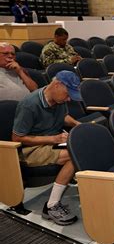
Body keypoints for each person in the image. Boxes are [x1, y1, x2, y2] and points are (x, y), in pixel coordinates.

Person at [12, 70, 81, 225]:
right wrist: (53, 139)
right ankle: (51, 206)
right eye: (68, 94)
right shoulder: (29, 104)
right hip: (31, 149)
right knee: (74, 155)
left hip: (51, 142)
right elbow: (17, 137)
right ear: (57, 84)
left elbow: (63, 117)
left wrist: (78, 125)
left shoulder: (59, 100)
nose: (69, 98)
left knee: (84, 144)